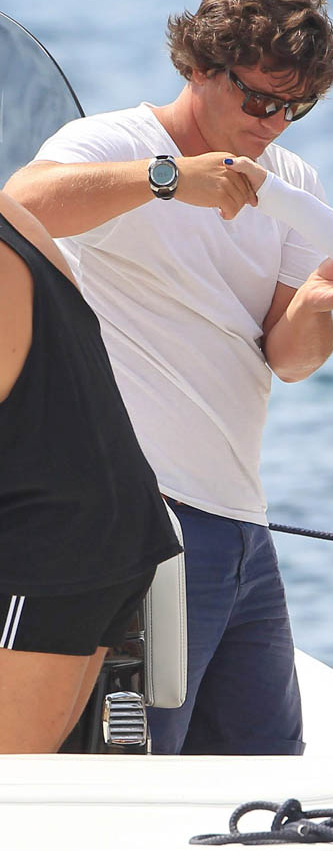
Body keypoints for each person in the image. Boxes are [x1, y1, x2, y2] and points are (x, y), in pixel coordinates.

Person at [4, 0, 333, 757]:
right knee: (139, 773)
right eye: (259, 101)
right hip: (146, 513)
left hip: (241, 525)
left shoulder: (291, 181)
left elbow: (289, 359)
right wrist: (167, 180)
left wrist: (317, 305)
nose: (274, 124)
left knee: (265, 775)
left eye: (295, 108)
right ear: (198, 65)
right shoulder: (116, 144)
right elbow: (22, 204)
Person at [0, 191, 182, 753]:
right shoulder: (12, 214)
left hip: (50, 544)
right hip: (106, 527)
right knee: (30, 779)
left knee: (12, 781)